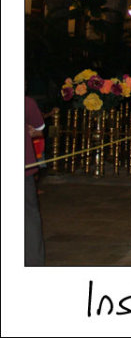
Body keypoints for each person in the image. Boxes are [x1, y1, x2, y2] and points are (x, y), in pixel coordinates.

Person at [25, 96, 46, 265]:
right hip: (24, 169)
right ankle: (33, 263)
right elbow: (38, 129)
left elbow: (37, 130)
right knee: (29, 216)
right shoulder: (26, 102)